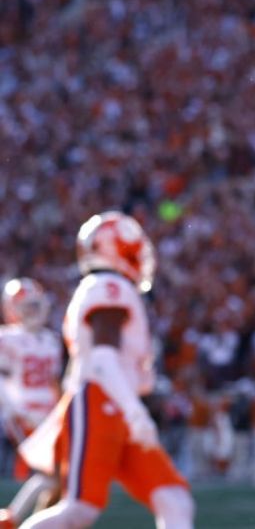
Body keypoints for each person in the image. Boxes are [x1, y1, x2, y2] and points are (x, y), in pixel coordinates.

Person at [18, 211, 194, 529]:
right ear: (115, 248)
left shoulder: (104, 286)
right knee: (80, 509)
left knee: (174, 498)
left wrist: (132, 410)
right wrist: (135, 413)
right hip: (100, 400)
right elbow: (102, 358)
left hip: (116, 403)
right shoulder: (110, 286)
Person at [0, 279, 62, 527]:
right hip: (22, 412)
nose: (32, 312)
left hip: (49, 416)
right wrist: (14, 409)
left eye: (35, 305)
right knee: (52, 472)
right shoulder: (7, 338)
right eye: (26, 307)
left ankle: (18, 519)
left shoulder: (51, 340)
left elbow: (54, 383)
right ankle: (12, 519)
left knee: (57, 477)